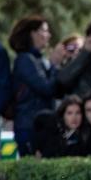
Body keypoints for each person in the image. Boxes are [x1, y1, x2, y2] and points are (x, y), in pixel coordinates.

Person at [8, 16, 60, 155]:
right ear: (33, 33)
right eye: (44, 31)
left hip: (39, 124)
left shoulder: (38, 59)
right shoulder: (25, 59)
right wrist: (54, 64)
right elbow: (46, 88)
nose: (48, 35)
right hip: (29, 126)